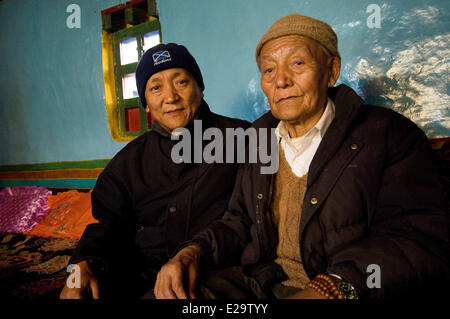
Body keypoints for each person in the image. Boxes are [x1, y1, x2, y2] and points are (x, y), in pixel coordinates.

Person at [154, 13, 449, 299]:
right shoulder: (257, 139)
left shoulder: (386, 134)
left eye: (297, 63)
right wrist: (192, 252)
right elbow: (238, 222)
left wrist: (335, 287)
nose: (281, 80)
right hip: (261, 284)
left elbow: (417, 239)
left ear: (331, 70)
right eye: (269, 70)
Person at [60, 43, 250, 299]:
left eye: (181, 82)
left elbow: (248, 219)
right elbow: (105, 226)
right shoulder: (128, 162)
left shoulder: (243, 139)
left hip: (209, 273)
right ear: (146, 103)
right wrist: (78, 267)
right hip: (139, 275)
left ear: (200, 89)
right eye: (156, 87)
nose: (170, 97)